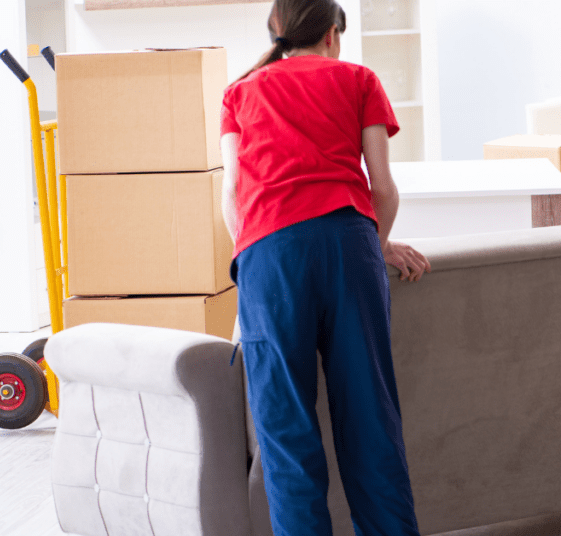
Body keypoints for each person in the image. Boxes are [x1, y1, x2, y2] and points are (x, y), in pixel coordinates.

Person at [219, 1, 430, 534]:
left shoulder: (239, 93)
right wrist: (372, 246)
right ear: (333, 35)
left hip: (269, 254)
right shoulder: (359, 79)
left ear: (277, 33)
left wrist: (256, 262)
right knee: (369, 419)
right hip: (348, 247)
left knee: (285, 429)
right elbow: (382, 188)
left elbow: (232, 197)